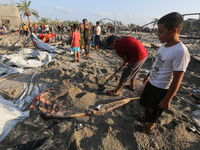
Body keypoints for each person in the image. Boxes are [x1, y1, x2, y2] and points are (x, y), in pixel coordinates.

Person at [134, 12, 190, 134]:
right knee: (144, 102)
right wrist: (149, 75)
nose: (157, 35)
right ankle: (145, 117)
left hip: (161, 88)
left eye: (161, 31)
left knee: (153, 110)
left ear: (173, 31)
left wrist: (167, 99)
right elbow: (157, 63)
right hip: (152, 82)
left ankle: (149, 128)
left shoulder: (180, 51)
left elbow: (177, 80)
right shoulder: (164, 45)